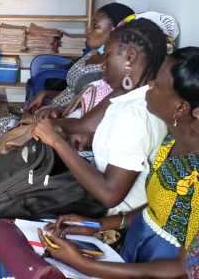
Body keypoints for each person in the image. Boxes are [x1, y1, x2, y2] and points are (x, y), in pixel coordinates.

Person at [33, 47, 199, 278]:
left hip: (158, 268)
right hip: (137, 248)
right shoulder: (172, 142)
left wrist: (83, 265)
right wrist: (98, 225)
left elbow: (184, 268)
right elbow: (160, 209)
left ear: (181, 108)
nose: (150, 84)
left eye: (158, 84)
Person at [0, 2, 134, 167]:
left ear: (116, 31)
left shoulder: (111, 69)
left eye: (95, 27)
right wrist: (46, 94)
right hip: (51, 109)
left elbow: (84, 108)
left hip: (57, 120)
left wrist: (52, 114)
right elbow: (73, 89)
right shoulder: (93, 54)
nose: (88, 32)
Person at [33, 19, 168, 214]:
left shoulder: (136, 114)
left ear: (130, 57)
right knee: (19, 184)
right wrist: (92, 138)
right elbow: (87, 126)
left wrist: (56, 142)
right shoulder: (129, 95)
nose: (103, 64)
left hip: (106, 211)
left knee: (13, 199)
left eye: (109, 55)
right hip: (92, 191)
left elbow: (109, 195)